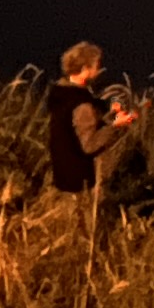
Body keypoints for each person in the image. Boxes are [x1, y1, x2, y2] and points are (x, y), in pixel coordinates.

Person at [45, 40, 142, 198]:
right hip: (79, 184)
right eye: (96, 66)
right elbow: (89, 145)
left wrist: (108, 111)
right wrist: (116, 125)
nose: (99, 69)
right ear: (85, 69)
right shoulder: (81, 104)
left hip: (62, 177)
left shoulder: (61, 95)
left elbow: (74, 129)